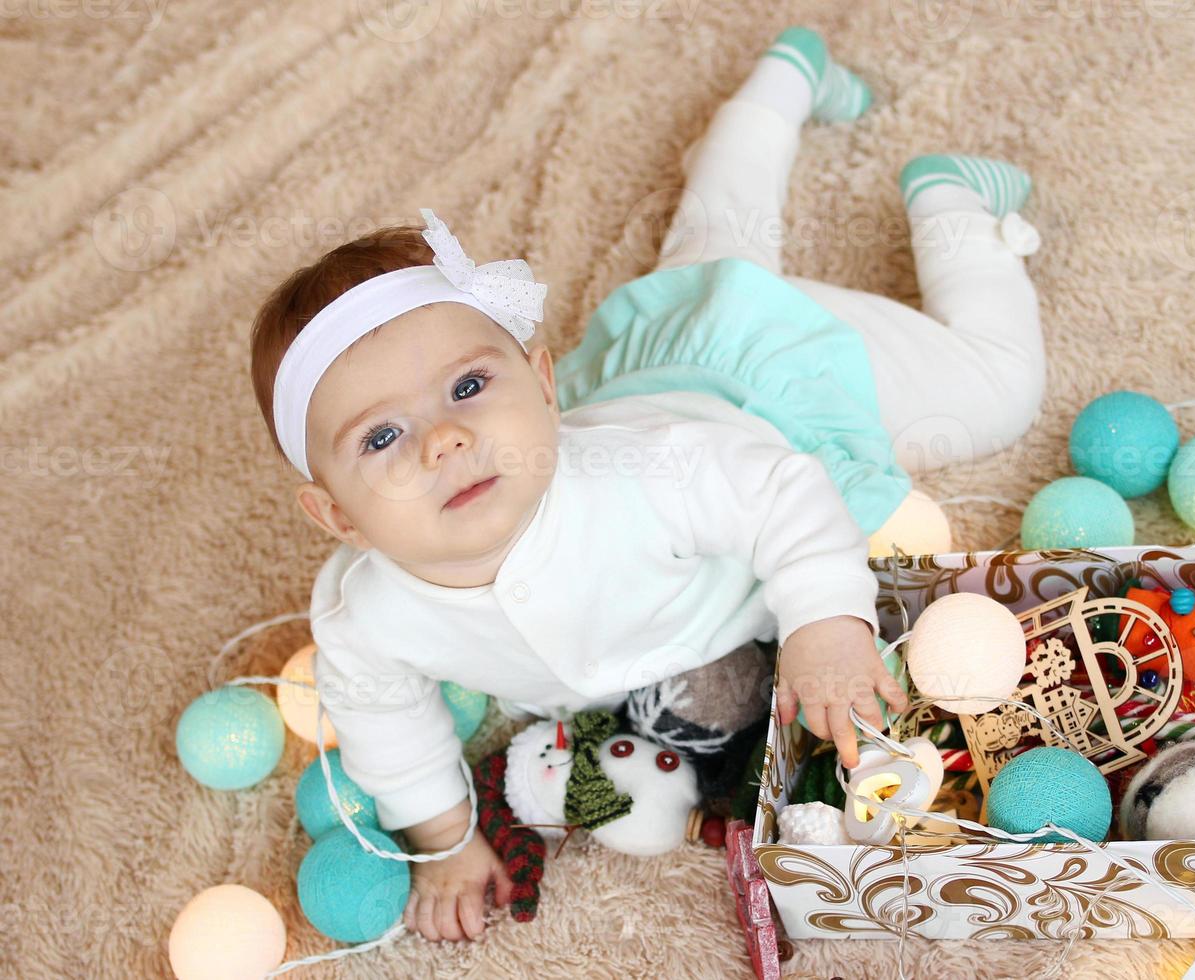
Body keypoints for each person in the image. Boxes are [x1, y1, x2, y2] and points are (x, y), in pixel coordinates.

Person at [247, 25, 1045, 944]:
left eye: (470, 387)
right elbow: (382, 715)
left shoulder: (641, 475)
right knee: (710, 251)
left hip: (758, 384)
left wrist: (825, 625)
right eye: (384, 435)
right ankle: (780, 82)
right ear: (335, 514)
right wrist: (443, 837)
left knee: (996, 393)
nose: (448, 441)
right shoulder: (366, 615)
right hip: (657, 362)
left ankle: (955, 203)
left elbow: (783, 491)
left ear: (543, 386)